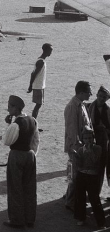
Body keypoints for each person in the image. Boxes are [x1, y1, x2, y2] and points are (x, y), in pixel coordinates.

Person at [2, 95, 40, 229]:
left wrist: (8, 124)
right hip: (30, 155)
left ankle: (17, 220)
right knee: (30, 188)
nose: (8, 109)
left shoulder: (16, 124)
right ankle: (30, 218)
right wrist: (32, 153)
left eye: (9, 106)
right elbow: (36, 140)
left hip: (17, 155)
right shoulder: (32, 120)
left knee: (15, 188)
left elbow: (7, 141)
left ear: (15, 108)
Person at [64, 81, 93, 211]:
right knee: (75, 175)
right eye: (88, 92)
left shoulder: (80, 104)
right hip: (76, 147)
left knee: (76, 174)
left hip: (81, 146)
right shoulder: (72, 107)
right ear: (81, 92)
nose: (90, 94)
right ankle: (70, 202)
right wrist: (77, 148)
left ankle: (70, 197)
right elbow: (72, 130)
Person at [72, 127, 106, 228]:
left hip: (92, 176)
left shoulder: (98, 149)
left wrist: (90, 151)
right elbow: (80, 165)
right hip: (82, 175)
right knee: (80, 198)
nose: (88, 140)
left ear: (93, 138)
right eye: (86, 138)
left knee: (94, 199)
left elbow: (96, 162)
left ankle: (101, 222)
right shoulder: (80, 150)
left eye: (90, 138)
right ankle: (80, 218)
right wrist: (76, 156)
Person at [86, 85, 110, 194]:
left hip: (105, 142)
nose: (101, 99)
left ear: (107, 99)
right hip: (91, 141)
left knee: (102, 168)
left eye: (104, 97)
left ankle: (96, 192)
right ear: (96, 95)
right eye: (100, 96)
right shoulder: (89, 107)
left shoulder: (108, 111)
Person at [27, 43, 52, 119]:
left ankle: (34, 123)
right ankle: (33, 124)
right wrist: (30, 86)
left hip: (40, 86)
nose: (51, 52)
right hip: (38, 86)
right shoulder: (41, 62)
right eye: (50, 50)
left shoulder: (41, 60)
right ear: (46, 50)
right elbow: (33, 74)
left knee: (38, 105)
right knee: (38, 105)